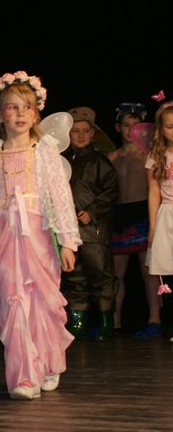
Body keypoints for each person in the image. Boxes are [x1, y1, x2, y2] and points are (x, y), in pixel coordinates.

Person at [0, 71, 80, 400]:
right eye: (12, 107)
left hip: (39, 238)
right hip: (3, 239)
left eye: (27, 107)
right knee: (13, 302)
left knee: (41, 302)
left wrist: (68, 241)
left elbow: (61, 197)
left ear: (36, 113)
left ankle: (47, 363)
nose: (20, 113)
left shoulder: (44, 152)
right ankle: (24, 376)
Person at [62, 107, 119, 341]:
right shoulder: (60, 161)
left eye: (86, 131)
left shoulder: (99, 161)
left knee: (101, 275)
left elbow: (111, 190)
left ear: (93, 133)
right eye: (75, 131)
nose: (81, 135)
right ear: (67, 133)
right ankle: (78, 322)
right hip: (68, 231)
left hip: (93, 230)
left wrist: (92, 212)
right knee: (74, 276)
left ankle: (106, 323)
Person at [107, 102, 162, 337]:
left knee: (149, 271)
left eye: (135, 125)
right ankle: (114, 321)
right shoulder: (111, 157)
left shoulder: (150, 157)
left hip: (144, 213)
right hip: (120, 215)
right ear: (117, 128)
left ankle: (154, 320)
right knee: (116, 274)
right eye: (126, 125)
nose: (130, 130)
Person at [145, 100, 173, 341]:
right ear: (161, 129)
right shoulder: (157, 156)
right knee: (169, 272)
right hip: (167, 216)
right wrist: (153, 226)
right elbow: (154, 192)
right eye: (170, 127)